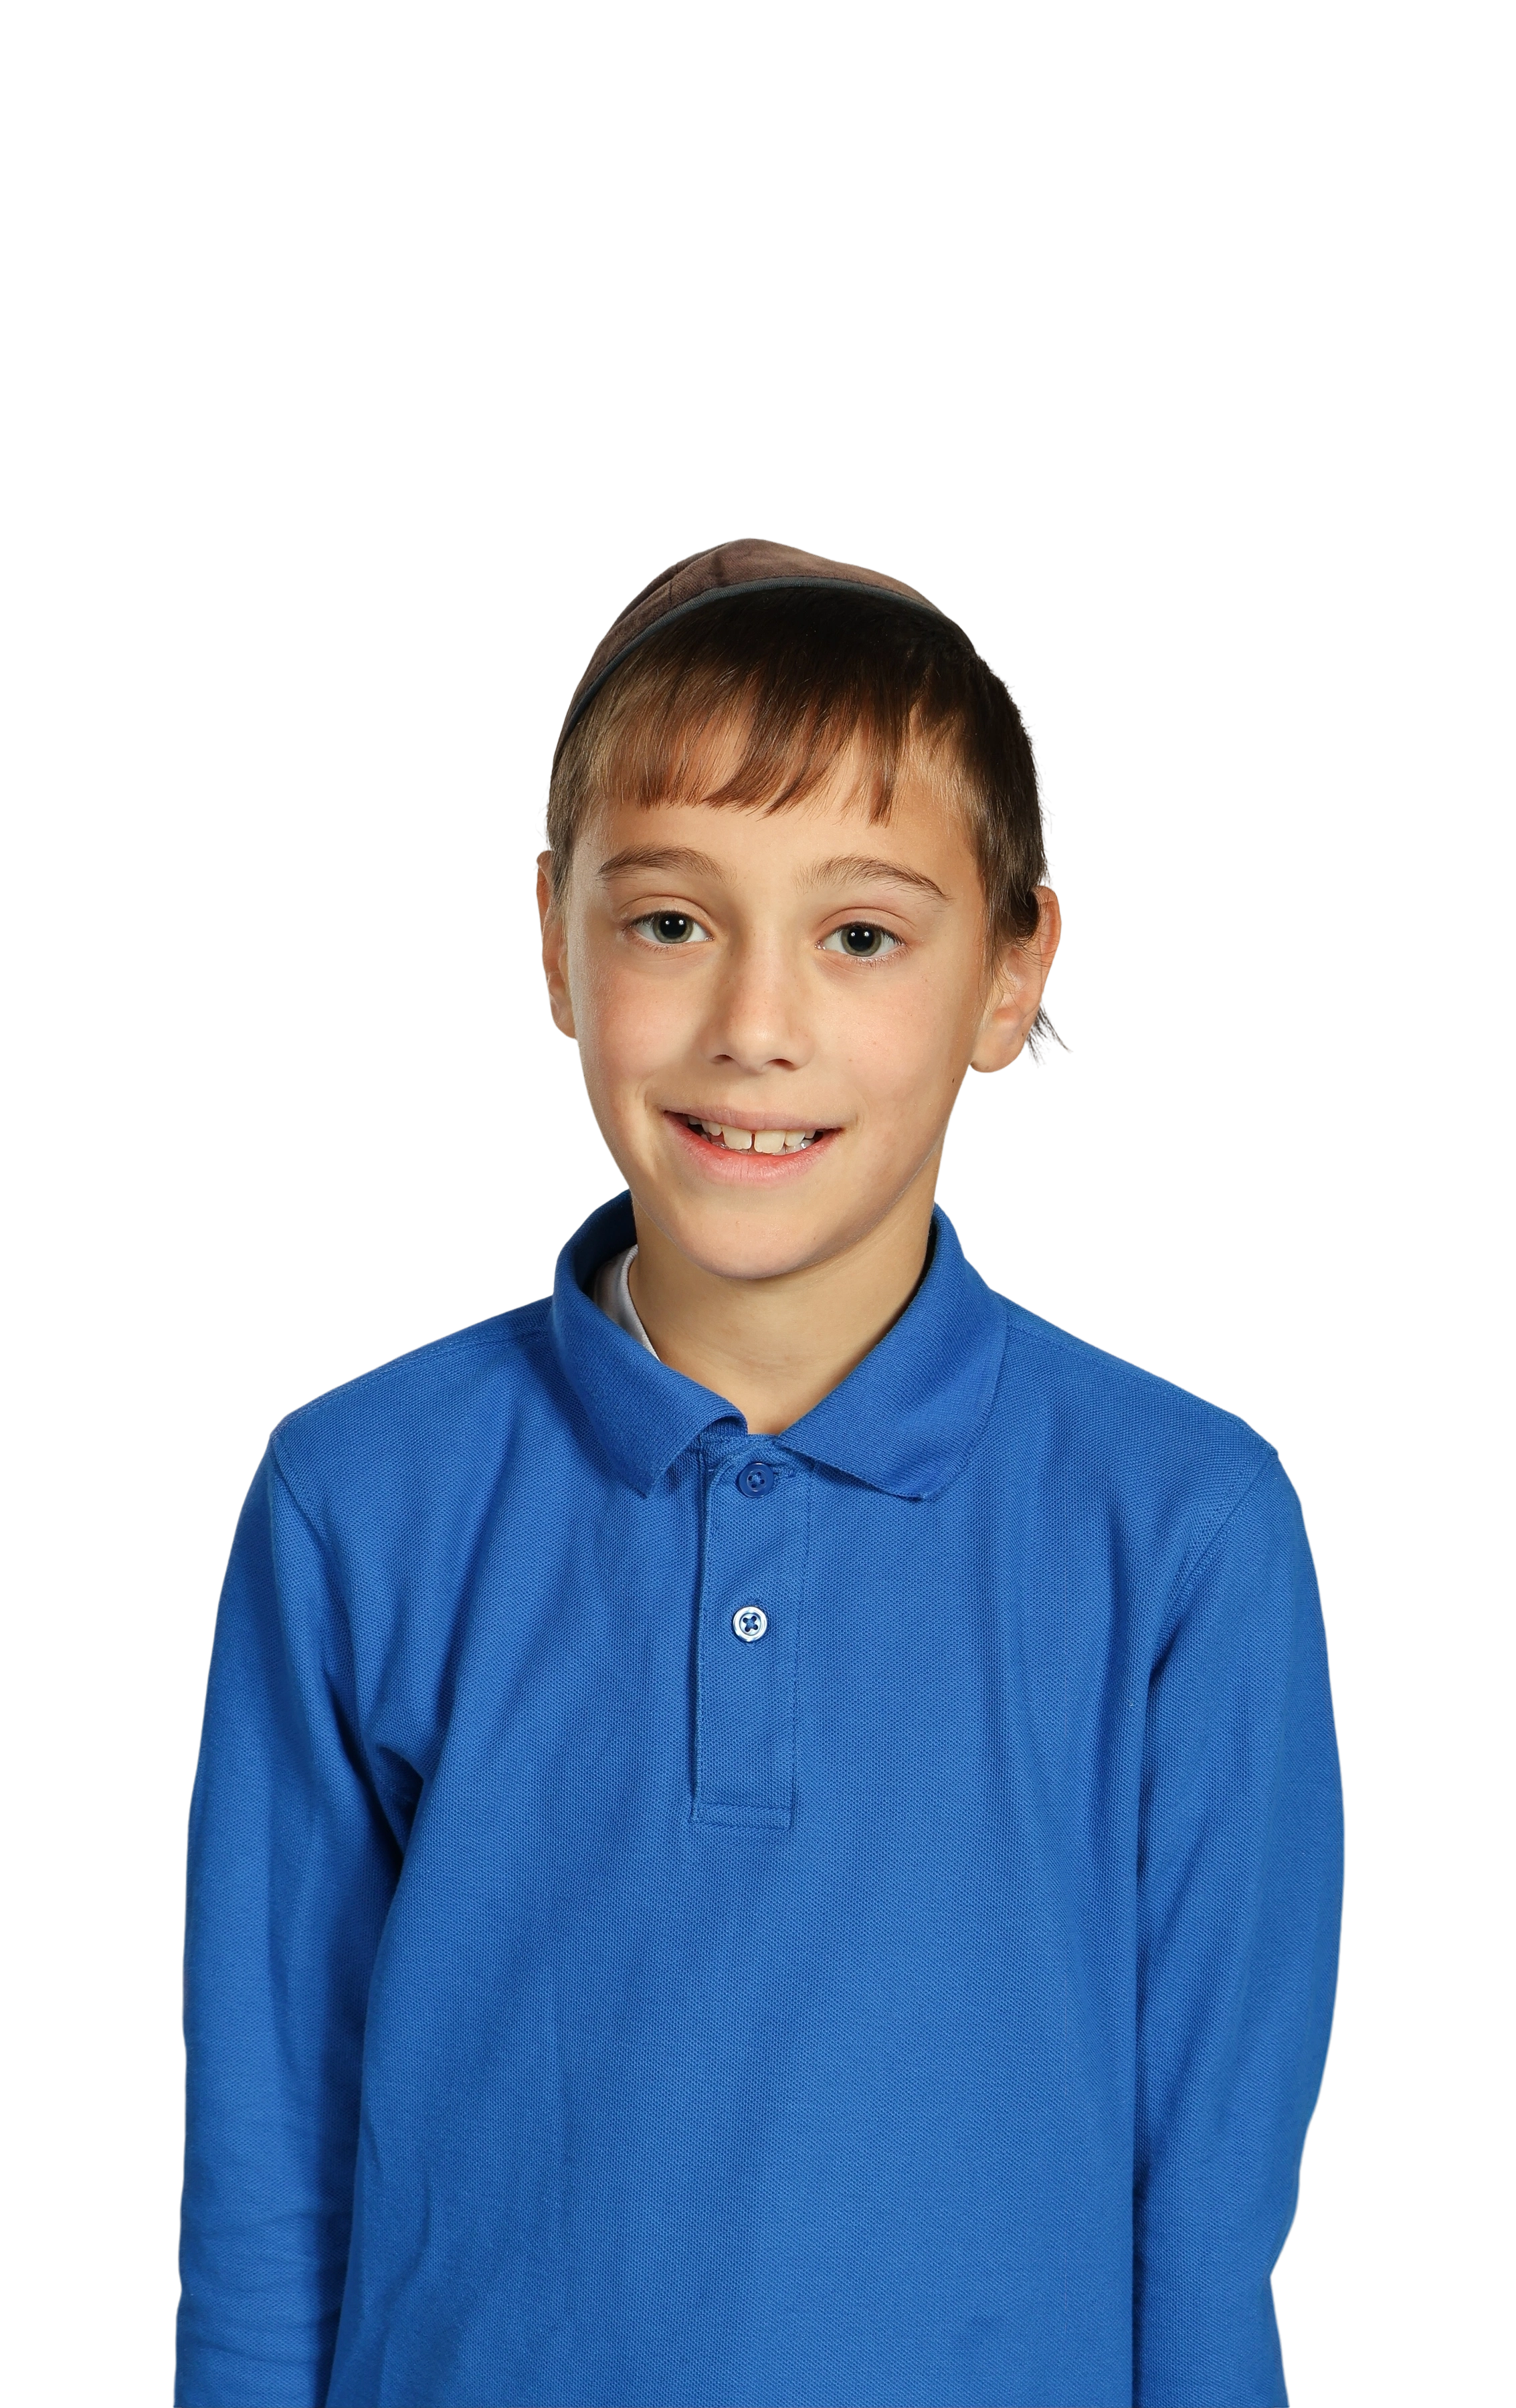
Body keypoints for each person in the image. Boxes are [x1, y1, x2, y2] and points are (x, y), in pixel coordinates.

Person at [173, 536, 1346, 2408]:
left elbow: (1208, 2244)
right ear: (553, 939)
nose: (755, 1026)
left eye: (861, 934)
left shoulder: (1182, 1521)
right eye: (670, 922)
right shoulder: (356, 1497)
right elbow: (264, 2198)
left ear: (1012, 968)